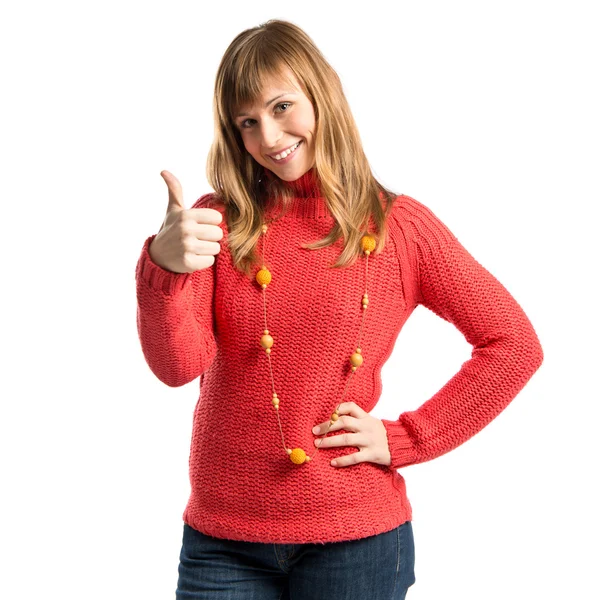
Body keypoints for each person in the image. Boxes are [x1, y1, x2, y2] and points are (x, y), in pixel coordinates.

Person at [134, 19, 544, 600]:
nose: (269, 136)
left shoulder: (399, 228)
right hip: (222, 538)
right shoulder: (215, 223)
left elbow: (514, 345)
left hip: (357, 540)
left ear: (322, 95)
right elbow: (177, 366)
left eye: (281, 107)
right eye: (247, 122)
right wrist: (164, 267)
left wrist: (407, 439)